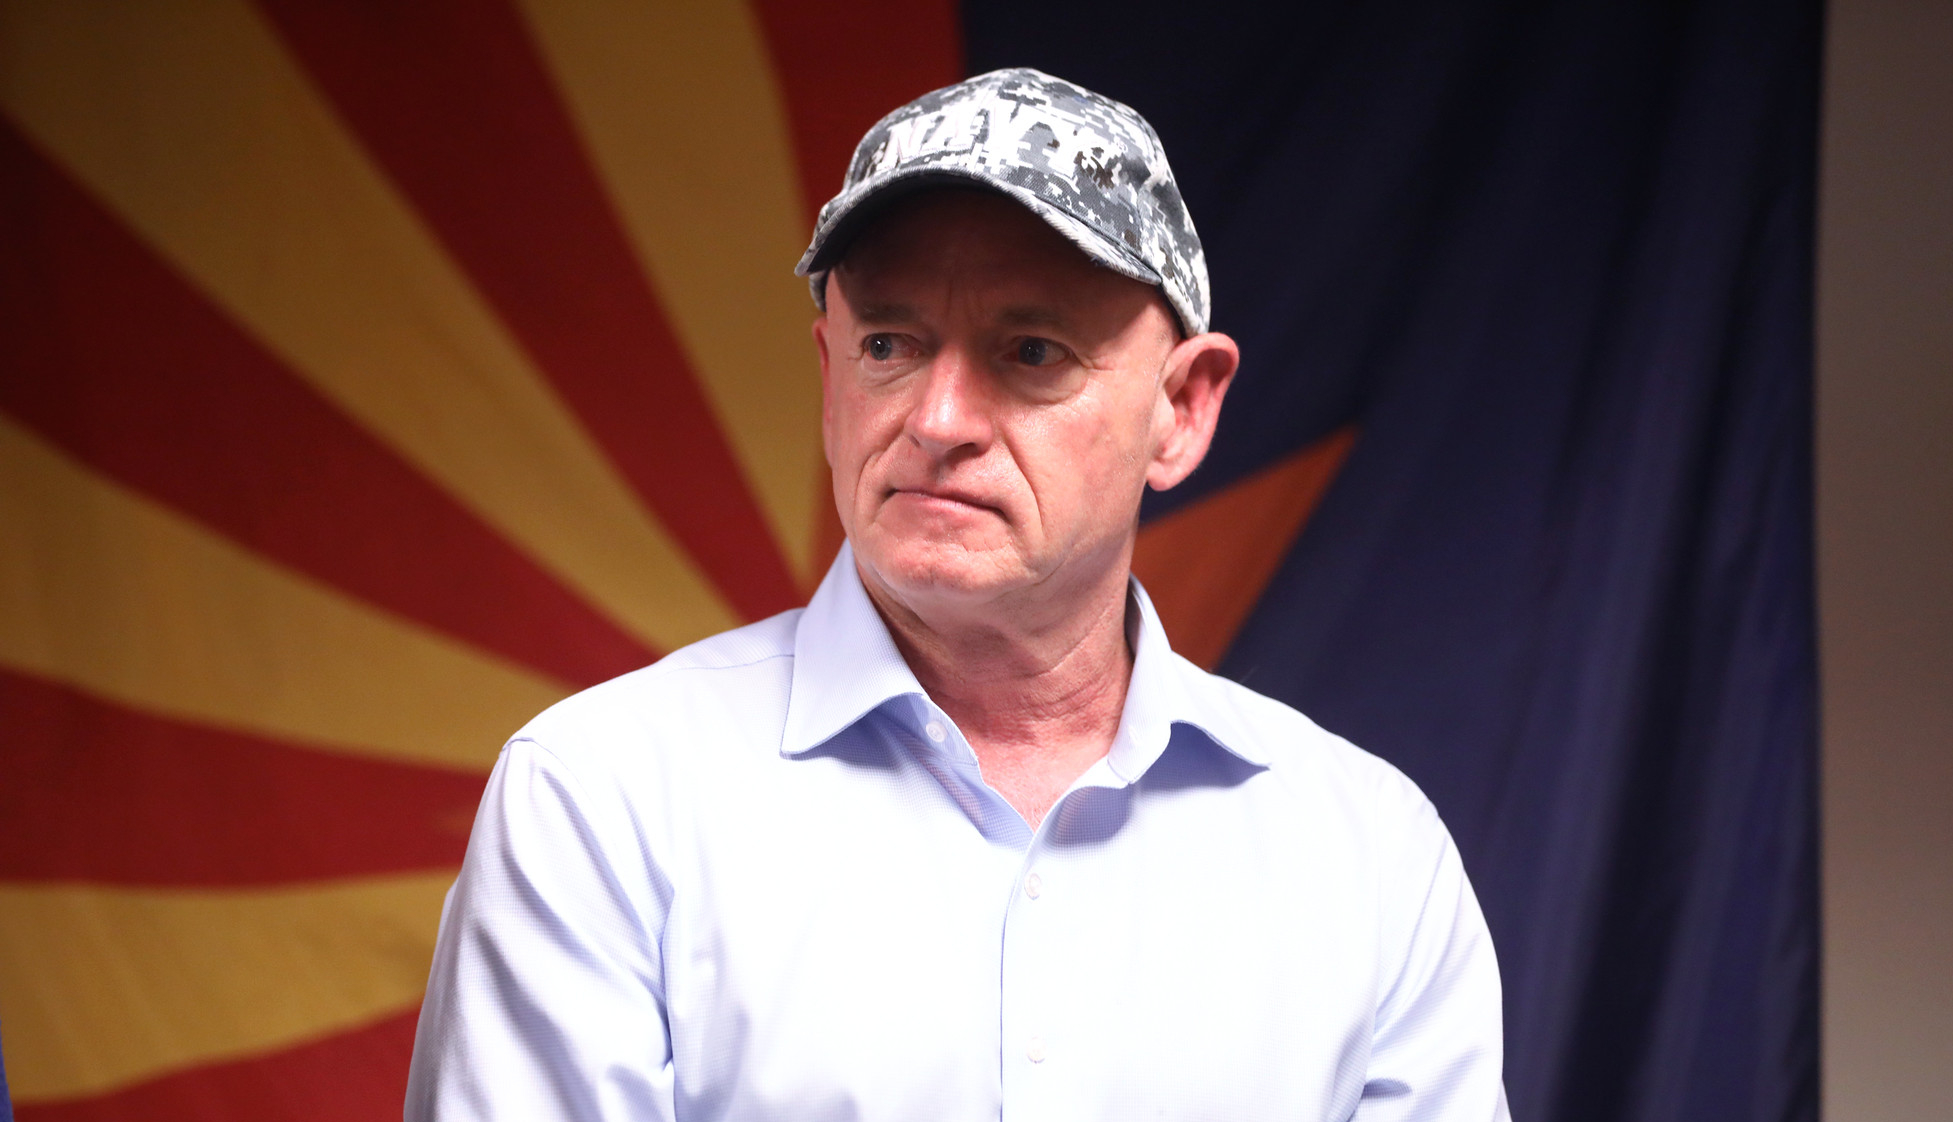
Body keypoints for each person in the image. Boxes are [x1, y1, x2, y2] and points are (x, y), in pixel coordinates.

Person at [406, 68, 1509, 1122]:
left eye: (1029, 351)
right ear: (830, 375)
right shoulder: (601, 806)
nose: (936, 420)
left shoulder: (1368, 861)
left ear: (1180, 410)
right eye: (888, 343)